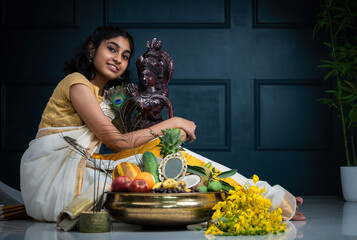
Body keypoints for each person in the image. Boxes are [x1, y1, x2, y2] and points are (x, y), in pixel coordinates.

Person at [20, 25, 305, 225]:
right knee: (171, 160)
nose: (118, 59)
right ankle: (268, 198)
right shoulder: (77, 84)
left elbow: (126, 138)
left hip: (81, 168)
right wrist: (175, 122)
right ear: (92, 49)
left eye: (125, 55)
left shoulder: (106, 96)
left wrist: (163, 133)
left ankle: (259, 200)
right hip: (58, 184)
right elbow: (117, 142)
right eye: (111, 49)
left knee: (165, 156)